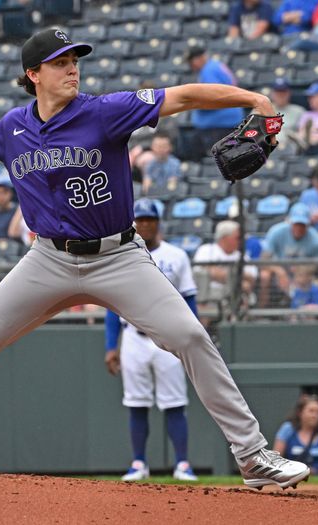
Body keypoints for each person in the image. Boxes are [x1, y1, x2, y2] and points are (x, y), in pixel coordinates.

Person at [0, 28, 310, 490]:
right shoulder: (13, 128)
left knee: (190, 335)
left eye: (75, 61)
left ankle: (252, 456)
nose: (72, 70)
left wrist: (254, 99)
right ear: (33, 74)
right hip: (47, 261)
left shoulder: (106, 111)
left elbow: (184, 95)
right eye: (60, 63)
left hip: (119, 256)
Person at [104, 199, 199, 482]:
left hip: (167, 337)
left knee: (174, 403)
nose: (145, 224)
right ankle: (138, 464)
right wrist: (112, 346)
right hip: (133, 336)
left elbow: (189, 298)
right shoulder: (121, 253)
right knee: (136, 402)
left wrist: (190, 338)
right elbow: (112, 305)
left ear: (158, 222)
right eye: (141, 219)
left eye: (150, 220)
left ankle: (182, 464)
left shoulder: (176, 256)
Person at [259, 203, 318, 306]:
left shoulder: (317, 242)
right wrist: (279, 271)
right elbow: (263, 260)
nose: (299, 228)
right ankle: (261, 313)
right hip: (278, 270)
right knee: (264, 275)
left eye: (302, 225)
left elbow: (317, 267)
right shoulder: (276, 232)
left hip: (303, 274)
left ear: (308, 224)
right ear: (290, 222)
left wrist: (301, 271)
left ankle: (298, 311)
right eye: (296, 224)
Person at [185, 47, 245, 161]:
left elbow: (214, 98)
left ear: (199, 58)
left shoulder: (209, 71)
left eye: (191, 61)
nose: (191, 65)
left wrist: (193, 103)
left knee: (215, 162)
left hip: (219, 126)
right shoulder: (215, 65)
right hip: (226, 123)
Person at [193, 220, 258, 323]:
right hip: (209, 297)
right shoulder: (206, 250)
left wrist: (219, 273)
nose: (241, 241)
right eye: (237, 238)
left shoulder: (242, 256)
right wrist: (237, 277)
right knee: (202, 311)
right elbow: (201, 272)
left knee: (242, 302)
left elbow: (252, 278)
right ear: (225, 238)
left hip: (234, 298)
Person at [274, 395, 318, 476]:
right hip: (291, 478)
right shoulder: (288, 429)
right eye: (311, 411)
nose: (315, 415)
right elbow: (275, 461)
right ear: (300, 412)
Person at [268, 79, 306, 147]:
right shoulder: (262, 109)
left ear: (289, 93)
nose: (280, 95)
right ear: (272, 94)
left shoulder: (299, 111)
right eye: (278, 92)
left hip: (292, 149)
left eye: (283, 92)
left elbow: (305, 132)